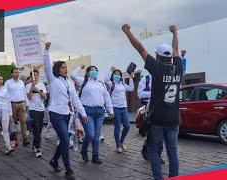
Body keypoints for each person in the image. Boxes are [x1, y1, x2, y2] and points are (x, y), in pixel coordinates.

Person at [122, 24, 182, 180]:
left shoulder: (156, 68)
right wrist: (175, 34)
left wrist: (128, 32)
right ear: (171, 57)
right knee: (172, 152)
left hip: (158, 119)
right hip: (174, 119)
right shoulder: (178, 67)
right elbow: (176, 50)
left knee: (154, 151)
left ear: (157, 57)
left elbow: (141, 49)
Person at [43, 42, 87, 180]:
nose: (66, 69)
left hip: (68, 115)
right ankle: (68, 170)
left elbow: (75, 99)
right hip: (56, 114)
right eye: (63, 67)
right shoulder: (53, 80)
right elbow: (46, 66)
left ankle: (54, 160)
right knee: (65, 140)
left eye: (66, 67)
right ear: (57, 70)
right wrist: (46, 51)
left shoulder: (69, 83)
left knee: (64, 140)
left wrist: (83, 114)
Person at [71, 64, 114, 165]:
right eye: (92, 70)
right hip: (87, 111)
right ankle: (84, 150)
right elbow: (72, 75)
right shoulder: (83, 81)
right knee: (90, 134)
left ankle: (95, 156)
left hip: (100, 112)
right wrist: (79, 67)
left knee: (97, 136)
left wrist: (111, 111)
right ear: (88, 73)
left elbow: (107, 97)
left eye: (96, 70)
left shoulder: (101, 84)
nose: (94, 72)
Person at [104, 66, 134, 153]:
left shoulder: (123, 84)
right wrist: (111, 71)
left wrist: (131, 78)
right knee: (117, 127)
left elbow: (131, 88)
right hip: (115, 108)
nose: (117, 76)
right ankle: (117, 146)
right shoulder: (111, 84)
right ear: (113, 75)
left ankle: (121, 142)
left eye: (118, 75)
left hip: (124, 108)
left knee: (127, 126)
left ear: (121, 76)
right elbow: (105, 80)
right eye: (115, 74)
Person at [5, 67, 30, 146]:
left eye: (18, 72)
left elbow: (24, 93)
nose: (17, 74)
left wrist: (27, 103)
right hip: (12, 104)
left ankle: (25, 139)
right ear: (11, 74)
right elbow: (5, 95)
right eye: (15, 72)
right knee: (13, 123)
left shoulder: (21, 82)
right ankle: (14, 140)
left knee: (23, 122)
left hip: (21, 104)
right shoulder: (7, 83)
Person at [26, 70, 47, 158]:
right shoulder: (27, 85)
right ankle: (38, 148)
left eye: (37, 75)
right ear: (31, 77)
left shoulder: (42, 85)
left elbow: (45, 97)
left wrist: (38, 90)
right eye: (33, 75)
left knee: (40, 129)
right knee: (36, 128)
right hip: (32, 109)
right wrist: (32, 87)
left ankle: (35, 144)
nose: (35, 77)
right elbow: (29, 97)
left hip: (41, 109)